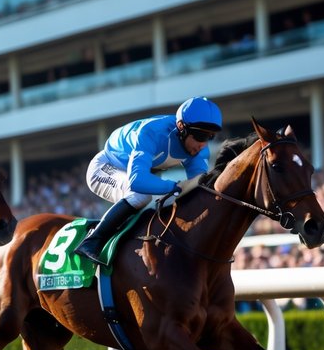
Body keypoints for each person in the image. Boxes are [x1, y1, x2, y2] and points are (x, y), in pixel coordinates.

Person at [74, 95, 223, 264]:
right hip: (106, 167)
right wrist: (176, 186)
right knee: (140, 196)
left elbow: (199, 187)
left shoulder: (199, 149)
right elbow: (137, 180)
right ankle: (92, 242)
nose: (203, 144)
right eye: (200, 136)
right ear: (181, 127)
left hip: (141, 173)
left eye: (210, 136)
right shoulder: (152, 132)